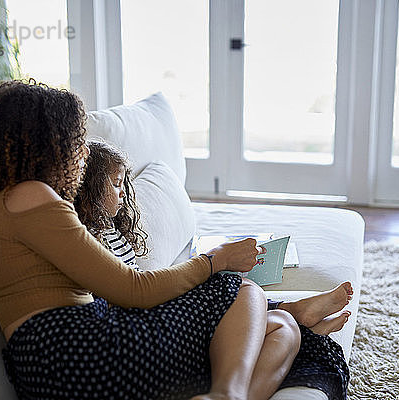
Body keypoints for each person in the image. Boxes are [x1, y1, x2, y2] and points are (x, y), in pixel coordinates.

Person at [73, 139, 353, 397]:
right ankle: (293, 315)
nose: (123, 192)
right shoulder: (83, 240)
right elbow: (134, 289)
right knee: (239, 289)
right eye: (116, 184)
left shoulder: (112, 231)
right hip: (145, 328)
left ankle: (283, 330)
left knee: (285, 329)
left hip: (153, 318)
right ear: (90, 189)